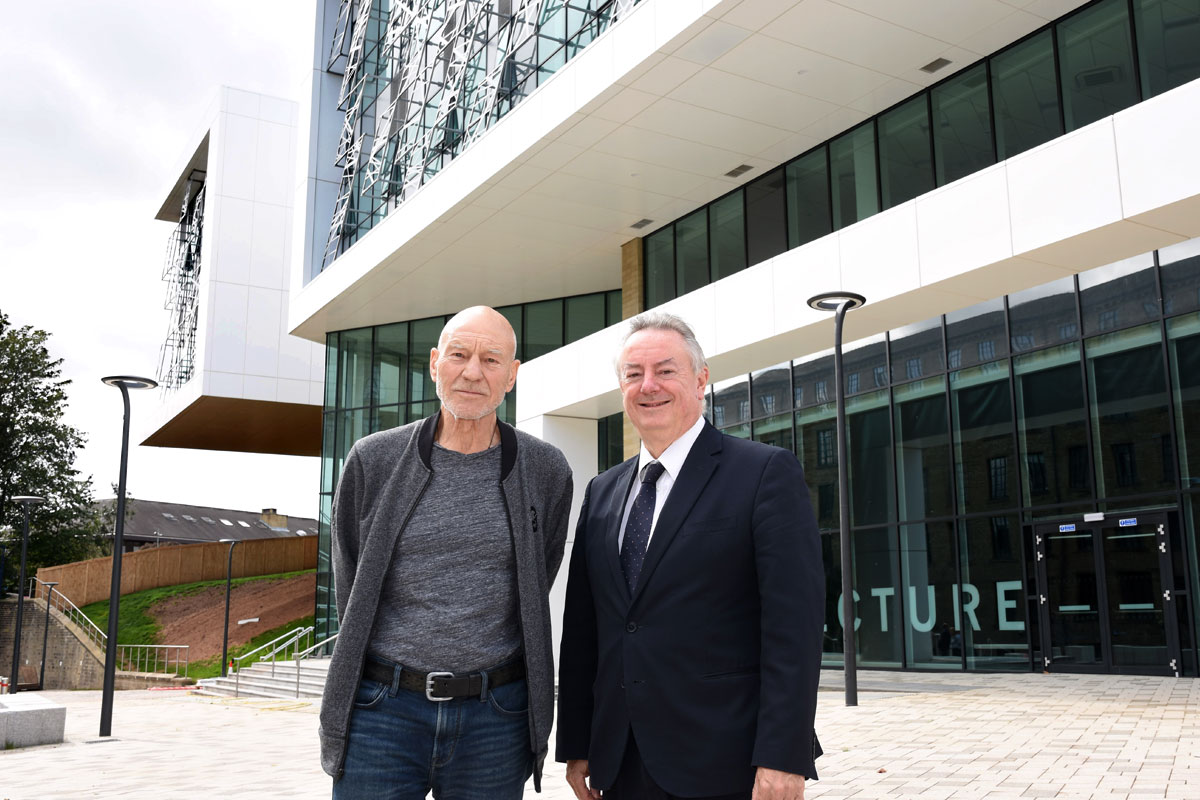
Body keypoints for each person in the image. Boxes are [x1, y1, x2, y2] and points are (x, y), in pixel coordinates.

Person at [557, 311, 824, 800]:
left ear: (701, 379)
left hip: (726, 758)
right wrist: (577, 740)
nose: (648, 386)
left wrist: (784, 755)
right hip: (619, 761)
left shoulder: (764, 473)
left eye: (666, 370)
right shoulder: (601, 492)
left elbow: (794, 628)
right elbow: (584, 630)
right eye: (633, 374)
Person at [318, 305, 574, 799]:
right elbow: (351, 581)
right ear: (436, 363)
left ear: (512, 376)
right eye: (459, 354)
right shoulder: (373, 459)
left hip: (495, 718)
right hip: (382, 712)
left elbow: (538, 574)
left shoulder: (545, 469)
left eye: (491, 360)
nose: (473, 372)